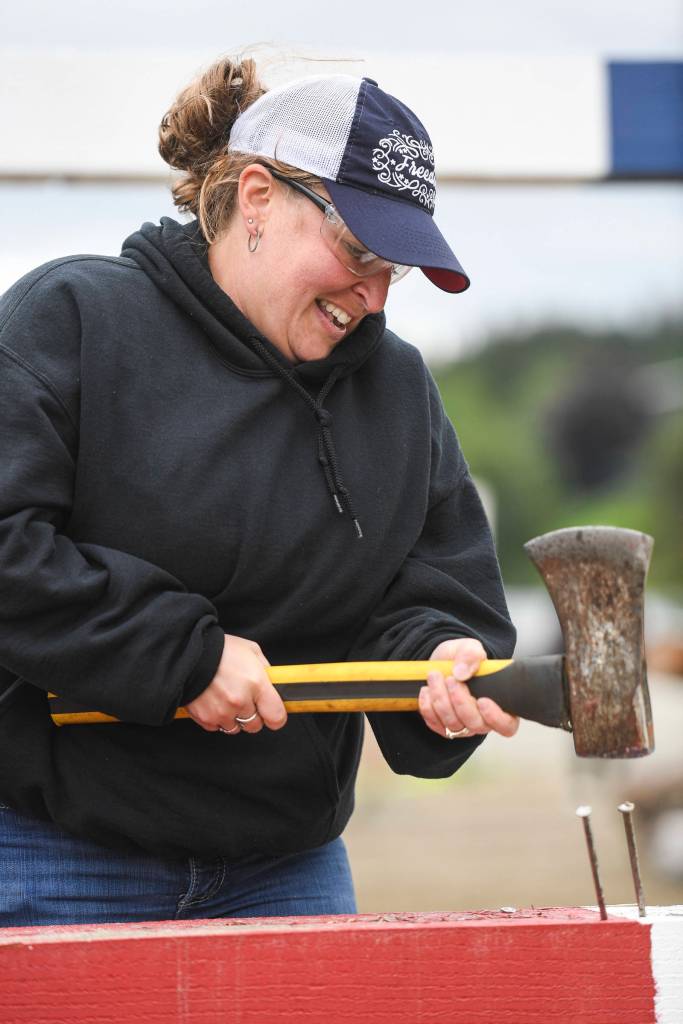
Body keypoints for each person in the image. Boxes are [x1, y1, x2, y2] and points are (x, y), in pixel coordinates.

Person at [0, 56, 518, 927]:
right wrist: (184, 654)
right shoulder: (73, 319)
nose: (374, 293)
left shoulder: (397, 393)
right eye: (358, 251)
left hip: (287, 869)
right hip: (54, 857)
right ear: (255, 198)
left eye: (396, 268)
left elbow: (430, 596)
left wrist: (438, 663)